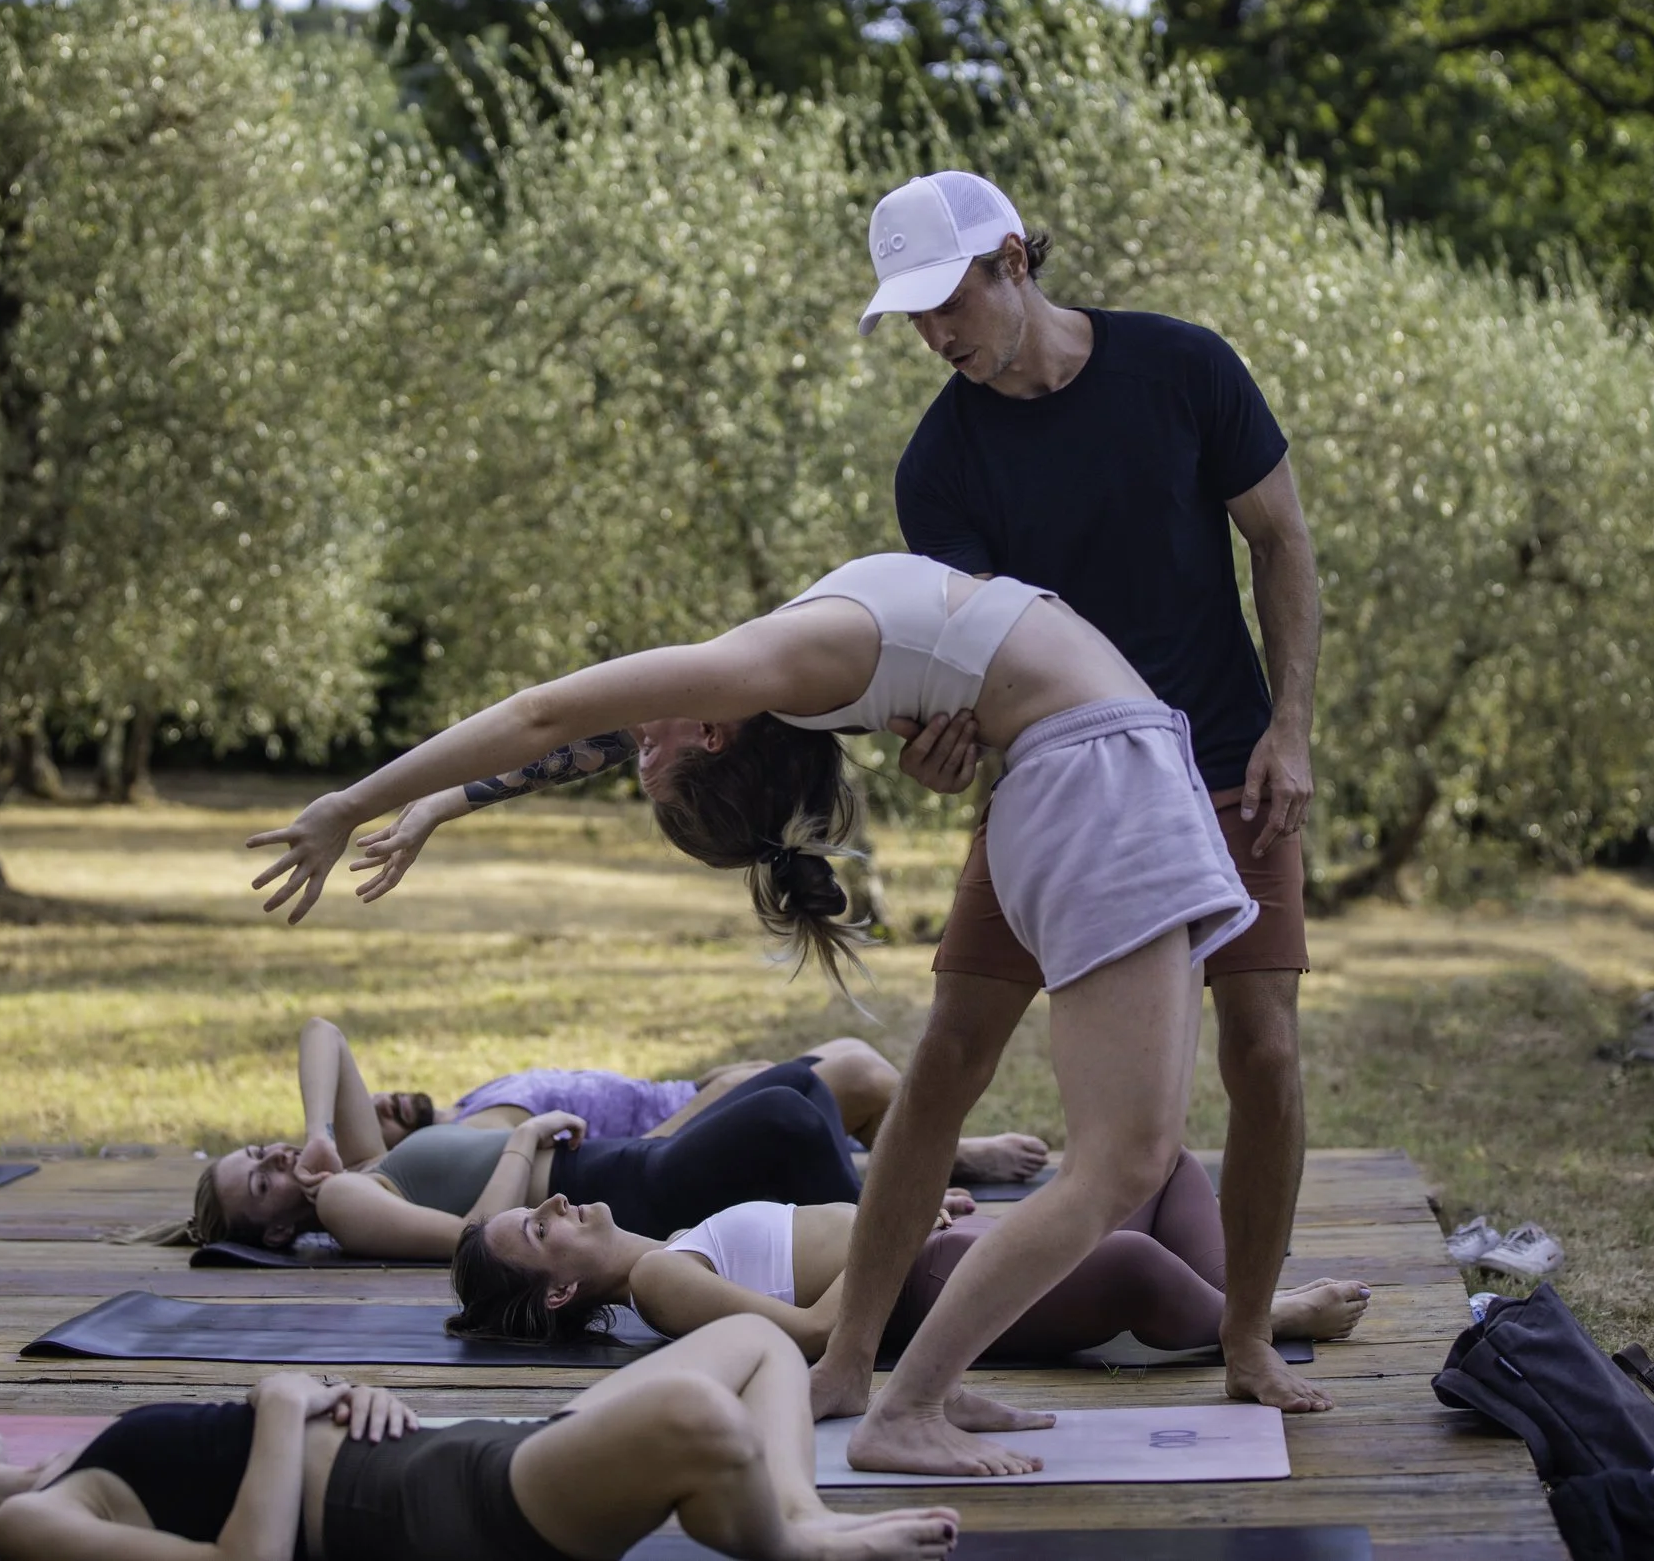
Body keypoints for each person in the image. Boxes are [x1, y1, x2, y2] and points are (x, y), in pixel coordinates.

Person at [352, 172, 1324, 1418]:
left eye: (946, 302)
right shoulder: (946, 463)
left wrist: (1289, 726)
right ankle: (852, 1363)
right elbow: (916, 677)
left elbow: (1281, 539)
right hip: (1067, 782)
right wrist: (950, 751)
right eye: (909, 316)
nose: (934, 336)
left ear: (1013, 260)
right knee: (944, 1069)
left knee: (1266, 1053)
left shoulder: (1182, 370)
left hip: (1228, 755)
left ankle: (1247, 1336)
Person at [247, 548, 1256, 1473]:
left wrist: (394, 803)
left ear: (714, 728)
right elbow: (556, 720)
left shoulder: (776, 670)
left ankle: (859, 1370)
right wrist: (366, 803)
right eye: (650, 748)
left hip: (1053, 766)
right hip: (1084, 761)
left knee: (943, 1079)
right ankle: (908, 1402)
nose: (637, 737)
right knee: (1120, 1155)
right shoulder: (766, 668)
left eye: (647, 750)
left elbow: (554, 724)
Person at [0, 1318, 962, 1561]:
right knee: (698, 1409)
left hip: (458, 1449)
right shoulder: (30, 1524)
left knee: (760, 1349)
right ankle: (789, 1531)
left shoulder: (64, 1470)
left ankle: (782, 1518)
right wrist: (278, 1400)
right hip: (442, 1515)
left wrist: (333, 1394)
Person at [450, 1151, 1369, 1362]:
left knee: (1157, 1162)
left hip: (931, 1245)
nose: (556, 1199)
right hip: (929, 1286)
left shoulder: (674, 1245)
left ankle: (1231, 1298)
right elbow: (816, 1331)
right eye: (540, 1226)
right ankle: (1267, 1314)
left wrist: (912, 1205)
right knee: (1128, 1261)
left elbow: (824, 1235)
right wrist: (904, 1231)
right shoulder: (659, 1282)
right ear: (563, 1284)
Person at [190, 1016, 871, 1259]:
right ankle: (883, 1253)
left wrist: (316, 1131)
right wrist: (529, 1137)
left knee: (805, 1087)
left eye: (258, 1152)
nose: (275, 1159)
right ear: (277, 1232)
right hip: (614, 1190)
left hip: (625, 1163)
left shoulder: (366, 1162)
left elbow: (322, 1033)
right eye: (262, 1181)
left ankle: (872, 1231)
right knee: (787, 1112)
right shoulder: (343, 1200)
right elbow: (477, 1240)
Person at [325, 1016, 1047, 1182]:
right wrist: (699, 1117)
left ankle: (915, 1159)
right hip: (675, 1132)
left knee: (838, 1074)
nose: (383, 1099)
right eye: (379, 1115)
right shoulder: (487, 1127)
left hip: (683, 1096)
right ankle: (942, 1160)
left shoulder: (467, 1099)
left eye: (377, 1096)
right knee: (862, 1070)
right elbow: (609, 1149)